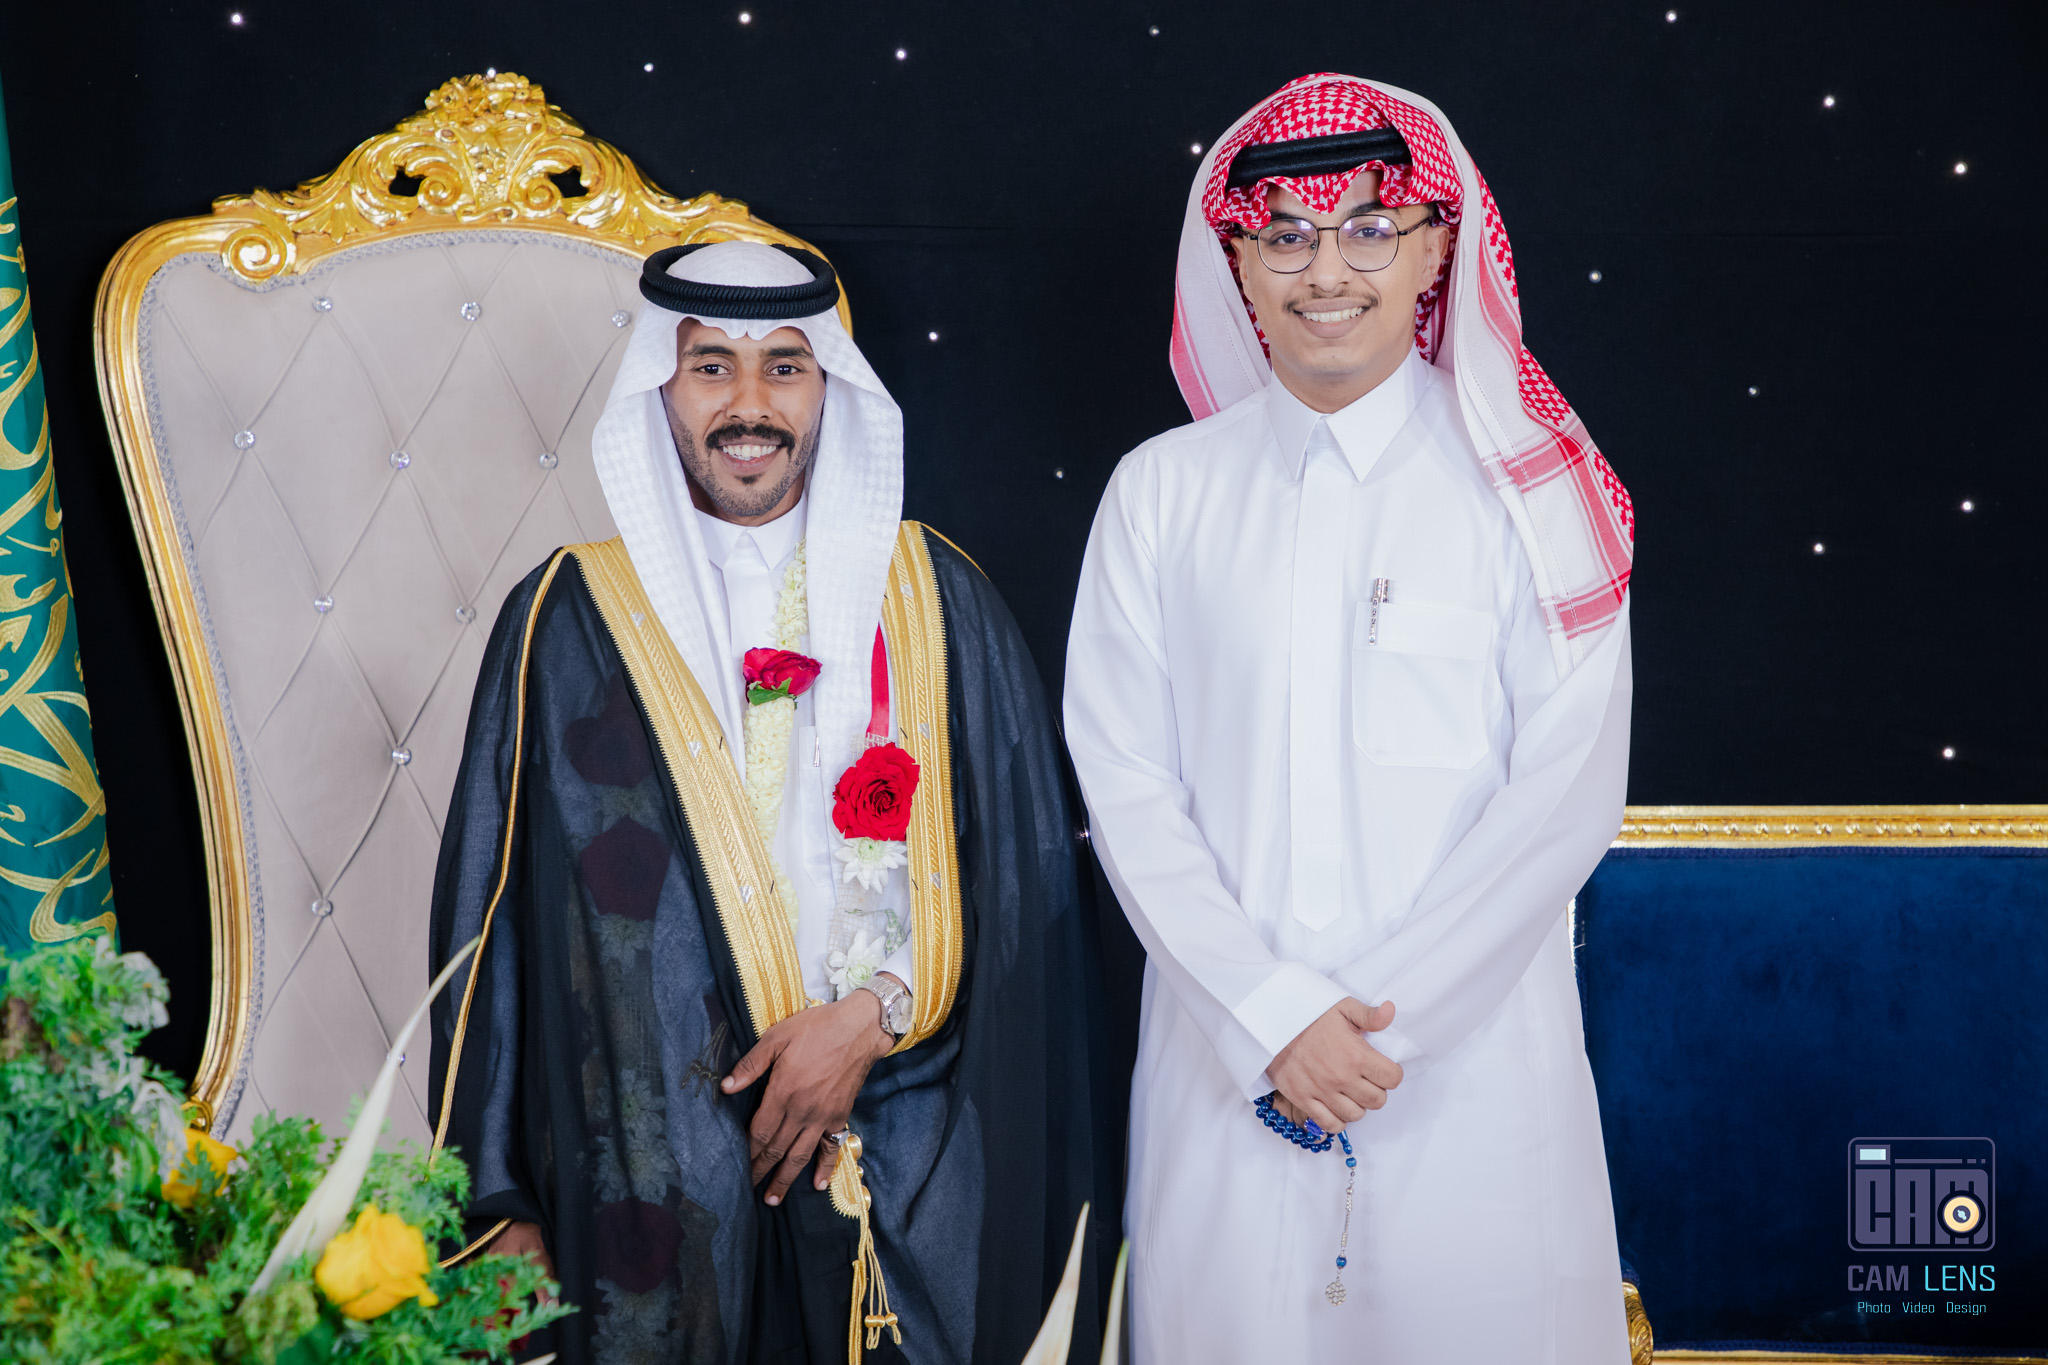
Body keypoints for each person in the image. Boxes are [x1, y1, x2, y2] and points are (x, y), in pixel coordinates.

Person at [428, 240, 1109, 1365]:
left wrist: (874, 1014)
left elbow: (1027, 882)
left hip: (899, 1150)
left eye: (785, 367)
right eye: (711, 367)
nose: (749, 405)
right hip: (646, 1182)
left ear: (829, 386)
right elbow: (485, 928)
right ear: (661, 386)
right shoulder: (566, 616)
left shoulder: (936, 598)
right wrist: (496, 1204)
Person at [1064, 73, 1636, 1362]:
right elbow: (1125, 783)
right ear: (1237, 263)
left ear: (1436, 248)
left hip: (1467, 1079)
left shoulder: (1529, 494)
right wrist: (1269, 1016)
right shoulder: (1158, 493)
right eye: (1285, 235)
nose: (1325, 270)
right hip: (1225, 1063)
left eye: (1369, 229)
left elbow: (1563, 798)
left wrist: (1379, 1035)